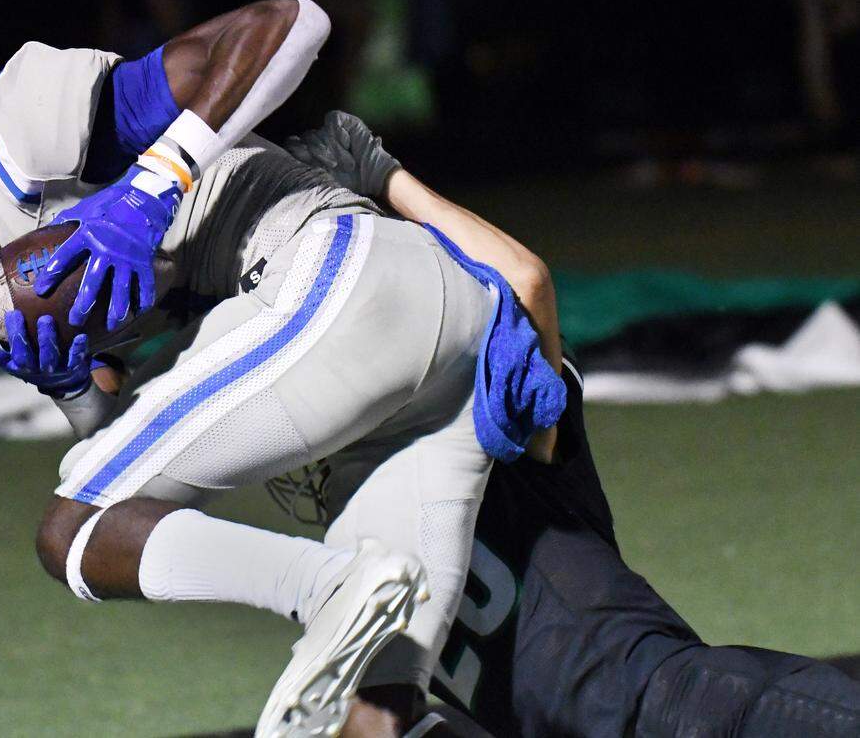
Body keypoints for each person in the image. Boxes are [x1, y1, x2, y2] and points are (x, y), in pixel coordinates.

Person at [0, 5, 563, 735]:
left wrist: (155, 182)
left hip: (339, 271)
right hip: (425, 338)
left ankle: (328, 588)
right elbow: (126, 458)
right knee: (374, 717)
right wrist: (74, 390)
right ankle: (349, 601)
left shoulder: (22, 129)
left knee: (71, 531)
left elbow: (295, 23)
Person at [285, 111, 860, 737]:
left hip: (699, 712)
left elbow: (525, 283)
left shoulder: (486, 461)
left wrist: (387, 180)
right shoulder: (379, 557)